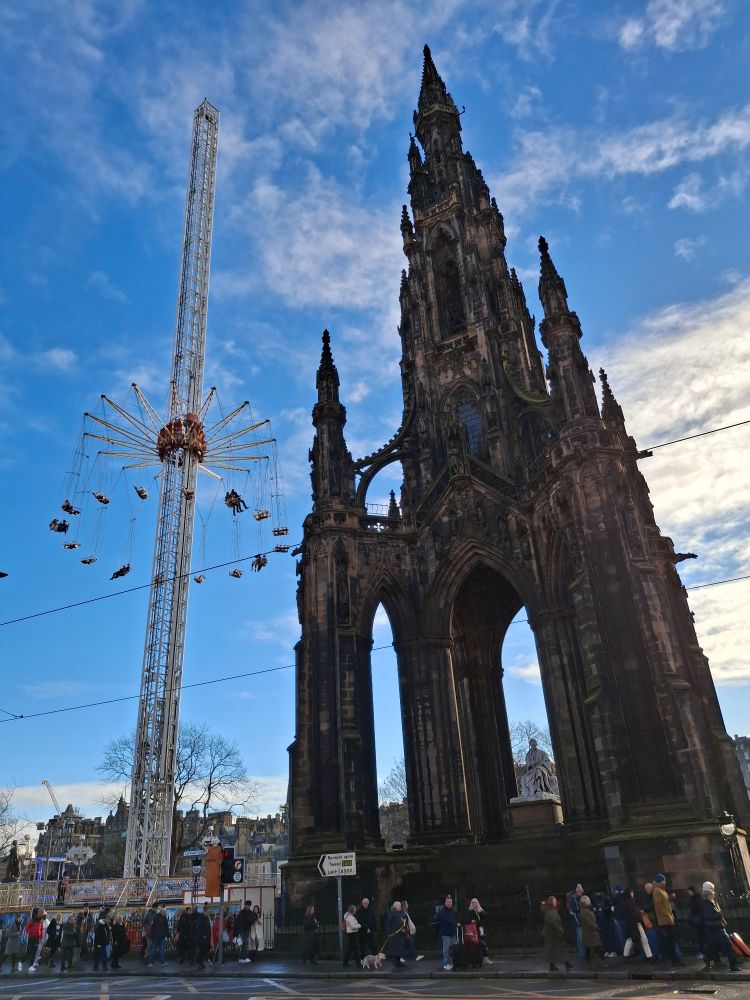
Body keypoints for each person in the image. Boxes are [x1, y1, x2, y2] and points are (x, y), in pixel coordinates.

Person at [699, 881, 740, 972]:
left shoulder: (711, 901)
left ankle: (708, 958)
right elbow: (709, 916)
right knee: (727, 945)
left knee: (715, 946)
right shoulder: (705, 903)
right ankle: (733, 965)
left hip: (717, 927)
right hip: (714, 928)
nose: (712, 894)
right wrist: (719, 915)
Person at [652, 875, 684, 967]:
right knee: (670, 940)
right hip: (665, 920)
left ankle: (675, 959)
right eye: (663, 882)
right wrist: (667, 915)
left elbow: (664, 902)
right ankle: (674, 959)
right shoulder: (657, 891)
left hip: (668, 918)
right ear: (660, 882)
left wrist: (669, 898)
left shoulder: (661, 890)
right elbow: (659, 906)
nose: (665, 883)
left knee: (672, 940)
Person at [620, 888, 652, 960]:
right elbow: (633, 913)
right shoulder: (631, 903)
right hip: (636, 923)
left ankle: (626, 955)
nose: (633, 894)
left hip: (632, 924)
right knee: (642, 939)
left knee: (631, 939)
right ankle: (649, 955)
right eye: (631, 892)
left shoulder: (626, 903)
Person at [542, 896, 571, 972]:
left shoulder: (553, 911)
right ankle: (561, 964)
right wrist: (560, 930)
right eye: (554, 901)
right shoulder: (550, 912)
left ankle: (566, 963)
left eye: (555, 901)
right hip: (552, 935)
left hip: (555, 935)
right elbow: (554, 923)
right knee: (555, 951)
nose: (555, 902)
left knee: (559, 950)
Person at [463, 898, 493, 967]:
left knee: (483, 944)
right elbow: (465, 919)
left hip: (480, 931)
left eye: (475, 903)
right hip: (473, 933)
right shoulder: (469, 912)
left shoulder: (480, 911)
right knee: (482, 944)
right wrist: (472, 921)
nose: (474, 904)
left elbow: (486, 917)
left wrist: (479, 912)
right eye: (473, 903)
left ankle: (484, 958)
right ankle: (480, 959)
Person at [579, 896, 604, 967]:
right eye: (588, 900)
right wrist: (596, 927)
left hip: (590, 932)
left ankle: (588, 959)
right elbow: (589, 921)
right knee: (598, 946)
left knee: (589, 946)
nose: (589, 901)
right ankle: (602, 961)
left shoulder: (588, 909)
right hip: (591, 932)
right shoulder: (584, 911)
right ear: (585, 902)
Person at [436, 895, 457, 971]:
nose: (449, 903)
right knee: (446, 949)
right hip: (445, 933)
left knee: (453, 948)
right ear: (445, 902)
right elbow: (443, 921)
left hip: (452, 932)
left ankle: (453, 962)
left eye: (450, 902)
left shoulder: (453, 910)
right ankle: (446, 964)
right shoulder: (442, 912)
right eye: (448, 902)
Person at [687, 886, 706, 960]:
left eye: (689, 891)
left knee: (701, 937)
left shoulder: (696, 898)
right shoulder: (695, 898)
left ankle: (703, 952)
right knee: (701, 937)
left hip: (699, 920)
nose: (688, 893)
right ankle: (703, 951)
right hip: (698, 920)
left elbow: (697, 908)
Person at [384, 901, 406, 969]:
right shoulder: (392, 914)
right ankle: (396, 962)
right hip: (394, 935)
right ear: (395, 906)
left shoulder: (398, 913)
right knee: (395, 949)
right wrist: (389, 933)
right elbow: (388, 924)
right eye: (399, 906)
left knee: (399, 949)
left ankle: (398, 962)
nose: (400, 907)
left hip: (399, 935)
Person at [568, 884, 585, 958]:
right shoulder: (574, 899)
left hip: (578, 920)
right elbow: (576, 909)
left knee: (580, 937)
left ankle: (582, 953)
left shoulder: (574, 898)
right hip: (578, 920)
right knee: (580, 937)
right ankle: (582, 954)